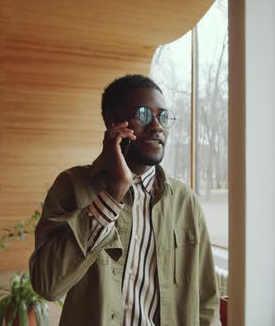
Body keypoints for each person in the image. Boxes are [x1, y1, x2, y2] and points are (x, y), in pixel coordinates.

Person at [29, 74, 220, 326]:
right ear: (112, 122)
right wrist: (113, 193)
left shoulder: (185, 201)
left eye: (162, 116)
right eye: (142, 115)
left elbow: (206, 300)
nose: (156, 126)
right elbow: (47, 284)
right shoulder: (71, 186)